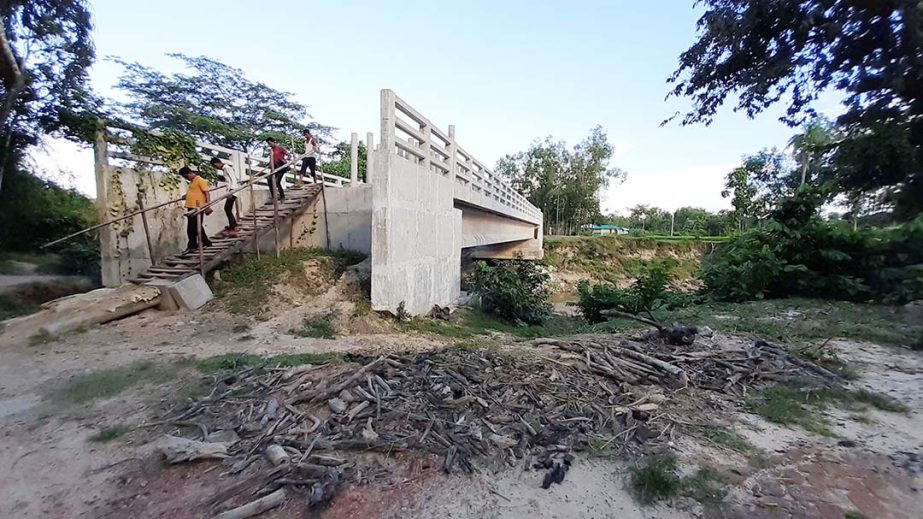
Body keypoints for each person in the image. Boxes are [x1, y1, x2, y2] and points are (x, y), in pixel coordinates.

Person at [179, 166, 213, 253]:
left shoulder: (199, 180)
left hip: (198, 207)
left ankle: (192, 245)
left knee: (192, 227)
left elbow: (207, 193)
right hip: (191, 207)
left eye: (186, 176)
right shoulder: (192, 182)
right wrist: (186, 196)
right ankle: (206, 242)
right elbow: (194, 192)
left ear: (190, 173)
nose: (186, 178)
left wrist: (208, 206)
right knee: (196, 226)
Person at [210, 157, 240, 236]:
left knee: (227, 208)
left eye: (216, 166)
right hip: (231, 191)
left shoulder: (227, 168)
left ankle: (233, 226)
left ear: (217, 163)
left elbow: (233, 180)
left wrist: (231, 192)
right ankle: (233, 225)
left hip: (232, 191)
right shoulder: (226, 169)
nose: (217, 168)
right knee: (228, 209)